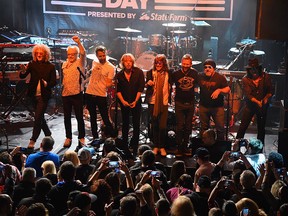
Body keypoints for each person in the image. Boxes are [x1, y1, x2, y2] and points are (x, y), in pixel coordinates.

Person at [19, 44, 57, 148]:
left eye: (41, 53)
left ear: (45, 54)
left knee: (37, 118)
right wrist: (22, 71)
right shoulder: (32, 64)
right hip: (33, 95)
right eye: (37, 53)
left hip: (44, 96)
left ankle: (33, 140)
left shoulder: (51, 66)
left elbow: (54, 82)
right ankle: (48, 134)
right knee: (39, 117)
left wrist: (47, 84)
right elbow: (23, 75)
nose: (39, 55)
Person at [236, 58, 273, 145]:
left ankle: (260, 148)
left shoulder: (266, 77)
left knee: (261, 128)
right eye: (252, 69)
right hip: (250, 105)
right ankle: (236, 146)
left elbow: (271, 91)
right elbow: (248, 95)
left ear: (259, 68)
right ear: (249, 70)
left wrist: (266, 98)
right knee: (243, 126)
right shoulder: (245, 79)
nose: (254, 71)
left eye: (256, 69)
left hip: (262, 106)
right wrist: (257, 101)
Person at [116, 53, 145, 157]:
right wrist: (123, 101)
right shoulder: (119, 74)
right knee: (125, 124)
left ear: (133, 62)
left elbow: (140, 88)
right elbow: (117, 90)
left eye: (130, 61)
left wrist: (136, 101)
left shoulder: (139, 72)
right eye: (126, 61)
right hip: (124, 102)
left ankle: (135, 146)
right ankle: (125, 146)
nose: (128, 63)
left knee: (136, 124)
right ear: (122, 62)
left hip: (135, 101)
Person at [85, 45, 115, 141]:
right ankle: (95, 138)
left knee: (105, 117)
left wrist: (109, 83)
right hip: (90, 92)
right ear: (96, 56)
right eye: (100, 56)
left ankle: (113, 136)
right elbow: (92, 75)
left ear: (106, 54)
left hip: (101, 94)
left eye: (103, 55)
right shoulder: (94, 62)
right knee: (92, 117)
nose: (102, 58)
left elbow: (109, 84)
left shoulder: (111, 67)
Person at [145, 54, 172, 157]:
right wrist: (148, 84)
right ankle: (156, 146)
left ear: (164, 63)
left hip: (164, 103)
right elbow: (146, 85)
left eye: (160, 62)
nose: (158, 64)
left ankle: (162, 146)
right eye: (156, 62)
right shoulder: (150, 73)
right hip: (153, 102)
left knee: (162, 126)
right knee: (155, 125)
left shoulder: (168, 73)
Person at [172, 54, 198, 156]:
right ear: (181, 63)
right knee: (179, 126)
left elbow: (198, 87)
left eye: (187, 64)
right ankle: (179, 147)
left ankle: (185, 146)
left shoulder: (195, 73)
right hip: (179, 102)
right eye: (184, 64)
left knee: (188, 126)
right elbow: (169, 84)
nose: (185, 66)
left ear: (191, 64)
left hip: (190, 102)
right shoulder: (176, 74)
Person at [62, 35, 86, 148]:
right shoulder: (64, 64)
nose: (70, 56)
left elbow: (83, 53)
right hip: (66, 94)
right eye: (69, 54)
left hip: (77, 94)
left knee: (79, 117)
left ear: (76, 55)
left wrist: (79, 43)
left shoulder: (80, 63)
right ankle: (68, 137)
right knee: (66, 117)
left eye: (73, 54)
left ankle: (81, 137)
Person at [198, 59, 230, 141]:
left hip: (217, 107)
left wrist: (219, 90)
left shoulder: (220, 77)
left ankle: (220, 149)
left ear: (214, 69)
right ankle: (204, 147)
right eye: (205, 67)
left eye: (210, 67)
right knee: (203, 128)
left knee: (220, 128)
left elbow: (227, 89)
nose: (207, 69)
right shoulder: (200, 76)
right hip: (203, 106)